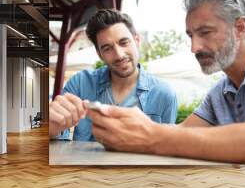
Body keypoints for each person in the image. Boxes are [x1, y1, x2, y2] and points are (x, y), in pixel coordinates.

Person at [87, 0, 245, 164]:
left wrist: (153, 136)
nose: (194, 47)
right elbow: (181, 131)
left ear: (240, 28)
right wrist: (126, 130)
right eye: (191, 35)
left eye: (205, 32)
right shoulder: (220, 93)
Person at [49, 9, 178, 140]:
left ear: (137, 40)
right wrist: (52, 128)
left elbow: (167, 148)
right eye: (107, 48)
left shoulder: (164, 93)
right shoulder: (80, 83)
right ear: (99, 54)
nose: (119, 55)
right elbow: (58, 140)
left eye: (124, 42)